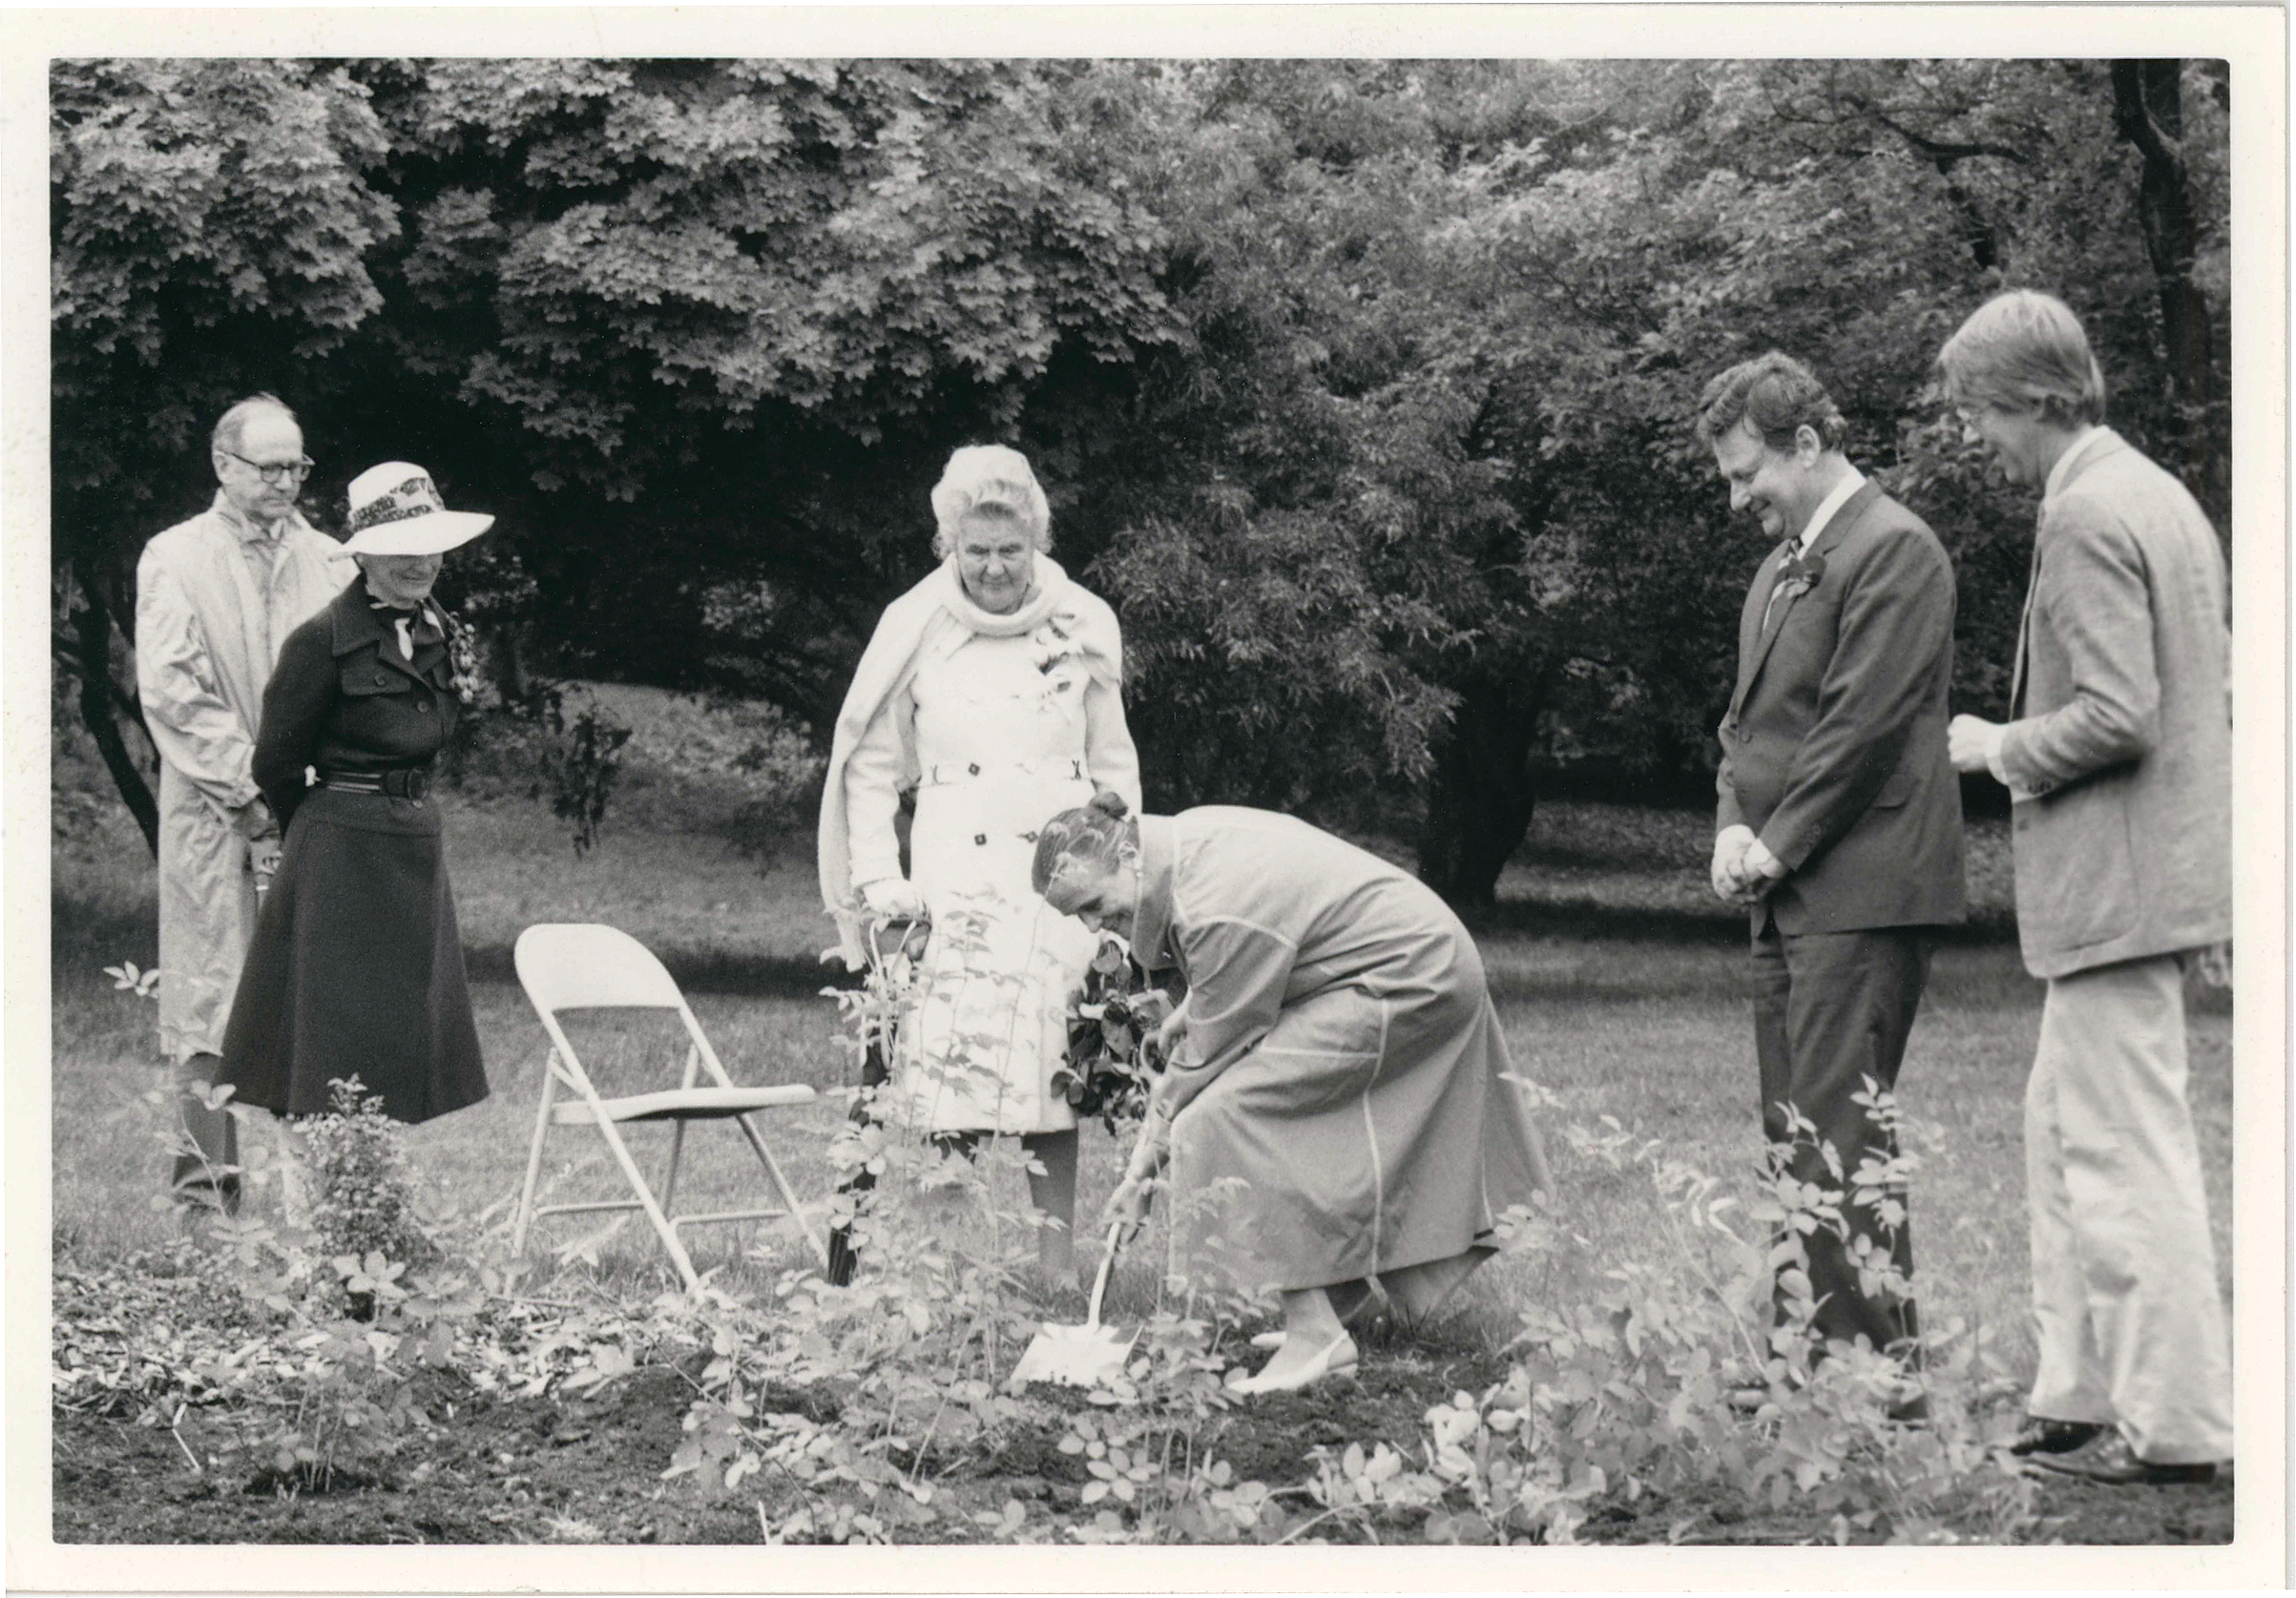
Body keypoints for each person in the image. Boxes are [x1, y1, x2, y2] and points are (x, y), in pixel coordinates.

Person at [1938, 291, 2232, 1486]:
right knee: (2061, 1135)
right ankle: (2076, 1395)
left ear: (2038, 399)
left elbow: (2121, 714)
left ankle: (2176, 1434)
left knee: (2122, 1158)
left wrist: (1995, 747)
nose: (1976, 435)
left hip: (2118, 894)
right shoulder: (2156, 495)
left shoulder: (2088, 514)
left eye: (1979, 412)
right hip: (2143, 886)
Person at [1033, 794, 1552, 1395]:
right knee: (1248, 1106)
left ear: (1127, 854)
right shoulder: (1181, 848)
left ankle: (1317, 1337)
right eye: (1078, 916)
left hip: (1410, 977)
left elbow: (1207, 1059)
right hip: (1395, 960)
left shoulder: (1213, 904)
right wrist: (1200, 1008)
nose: (1094, 927)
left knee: (1220, 1120)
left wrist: (1140, 1179)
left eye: (1094, 905)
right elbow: (1271, 939)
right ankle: (1341, 1297)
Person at [1698, 352, 1966, 1406]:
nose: (1737, 499)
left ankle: (1862, 1385)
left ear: (1806, 445)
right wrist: (1730, 825)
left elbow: (1862, 726)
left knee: (1841, 1130)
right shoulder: (1780, 568)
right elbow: (1747, 726)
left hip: (1865, 886)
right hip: (1786, 888)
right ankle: (1811, 1357)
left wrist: (1778, 840)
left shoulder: (1898, 551)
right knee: (1795, 1131)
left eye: (1745, 472)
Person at [818, 445, 1141, 1281]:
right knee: (945, 1085)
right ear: (947, 545)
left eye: (1011, 549)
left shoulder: (1083, 624)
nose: (994, 568)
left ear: (1035, 539)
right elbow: (869, 766)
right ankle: (947, 1269)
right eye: (976, 550)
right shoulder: (914, 627)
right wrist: (880, 881)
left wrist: (1117, 886)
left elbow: (1115, 770)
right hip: (950, 886)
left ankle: (1056, 1270)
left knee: (1051, 1081)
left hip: (1056, 891)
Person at [218, 463, 492, 1130]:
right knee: (330, 1045)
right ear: (365, 554)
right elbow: (277, 762)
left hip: (414, 848)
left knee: (400, 1037)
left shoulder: (444, 635)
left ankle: (379, 1197)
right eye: (402, 548)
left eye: (431, 547)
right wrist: (317, 834)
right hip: (338, 854)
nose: (420, 562)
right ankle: (328, 1203)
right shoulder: (321, 640)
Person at [134, 395, 345, 1212]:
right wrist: (250, 785)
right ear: (224, 465)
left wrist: (298, 785)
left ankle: (325, 1199)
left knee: (314, 995)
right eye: (271, 466)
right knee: (206, 997)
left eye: (299, 466)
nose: (288, 481)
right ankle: (206, 1202)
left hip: (310, 807)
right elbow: (173, 688)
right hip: (211, 809)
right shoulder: (174, 556)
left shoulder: (330, 559)